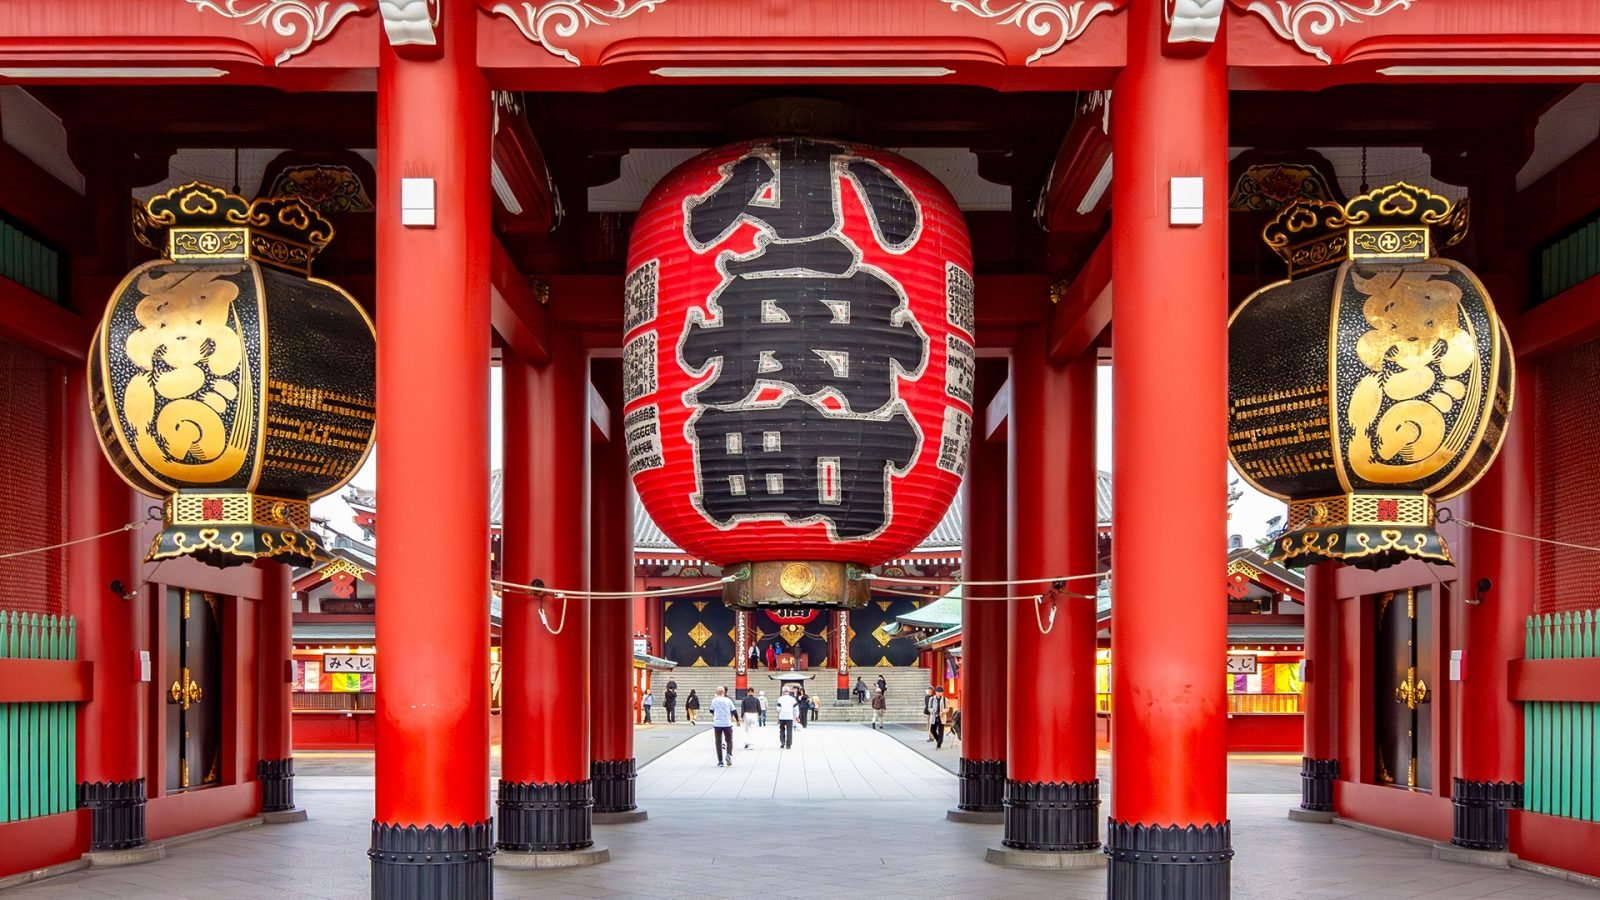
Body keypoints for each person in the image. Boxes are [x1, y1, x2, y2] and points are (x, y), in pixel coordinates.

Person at [709, 687, 737, 767]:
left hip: (717, 724)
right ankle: (728, 754)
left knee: (718, 742)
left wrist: (716, 713)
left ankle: (720, 761)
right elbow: (733, 710)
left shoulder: (714, 700)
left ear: (717, 693)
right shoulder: (728, 700)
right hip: (727, 723)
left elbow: (711, 710)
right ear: (724, 692)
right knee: (729, 740)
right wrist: (738, 720)